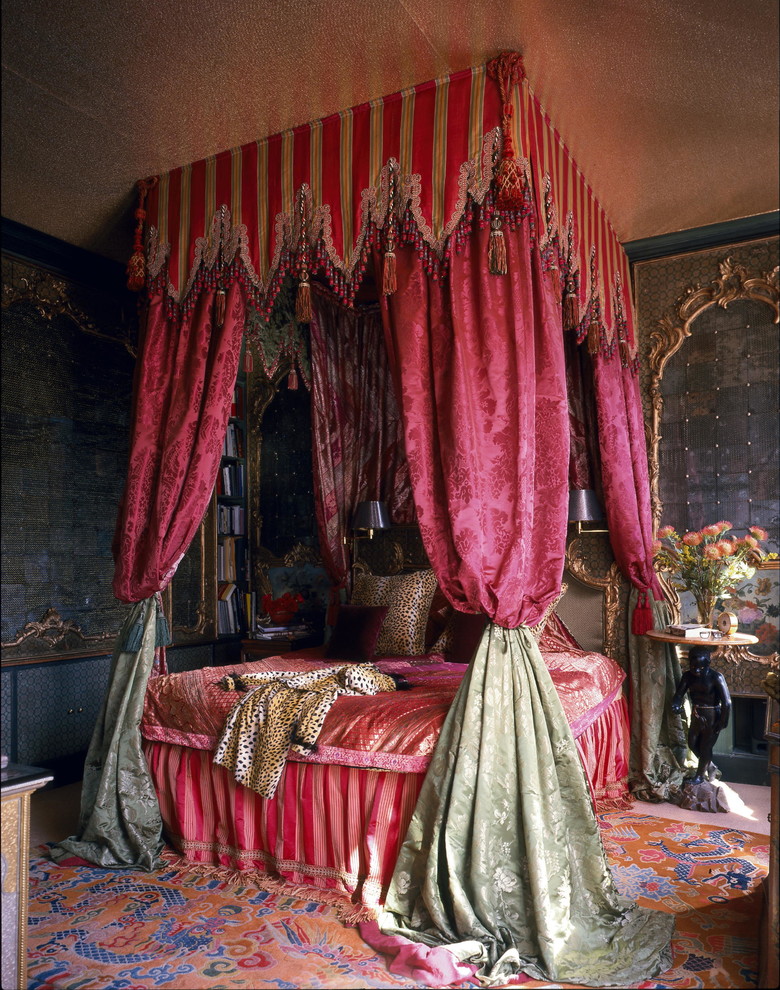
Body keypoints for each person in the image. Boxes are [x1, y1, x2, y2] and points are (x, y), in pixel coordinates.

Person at [671, 646, 732, 784]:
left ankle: (699, 776)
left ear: (708, 664)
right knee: (692, 744)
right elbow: (679, 694)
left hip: (712, 715)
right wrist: (676, 704)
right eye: (693, 667)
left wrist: (723, 721)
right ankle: (710, 766)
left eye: (701, 668)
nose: (697, 671)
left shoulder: (716, 677)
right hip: (697, 713)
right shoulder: (688, 676)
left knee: (706, 746)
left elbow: (727, 702)